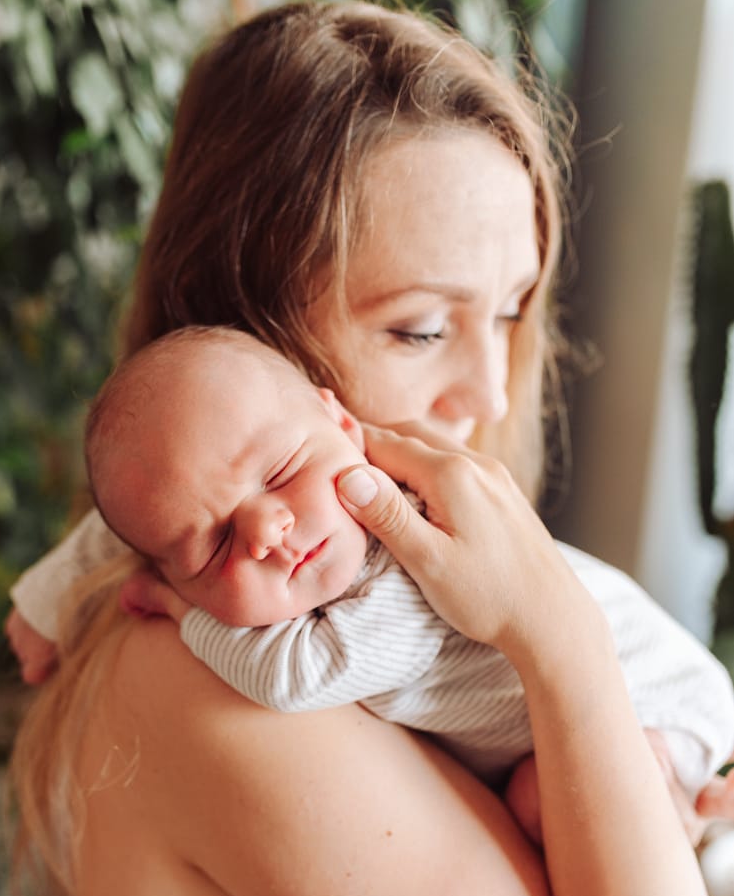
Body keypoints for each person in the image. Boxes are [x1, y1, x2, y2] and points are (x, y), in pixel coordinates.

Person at [7, 0, 734, 896]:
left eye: (508, 309)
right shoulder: (211, 687)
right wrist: (553, 639)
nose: (491, 391)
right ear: (245, 332)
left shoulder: (343, 572)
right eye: (417, 326)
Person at [84, 323, 734, 806]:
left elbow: (294, 678)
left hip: (657, 695)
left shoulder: (399, 563)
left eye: (281, 472)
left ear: (343, 424)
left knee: (553, 807)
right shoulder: (306, 517)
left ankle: (684, 802)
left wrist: (180, 611)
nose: (264, 532)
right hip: (572, 714)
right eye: (214, 549)